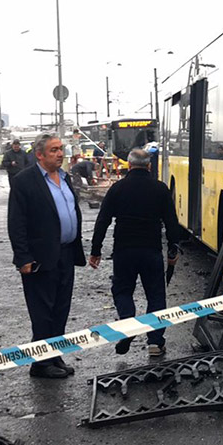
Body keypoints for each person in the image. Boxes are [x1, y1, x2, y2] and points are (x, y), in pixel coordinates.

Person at [88, 148, 184, 357]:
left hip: (124, 250)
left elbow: (103, 220)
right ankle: (155, 343)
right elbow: (171, 221)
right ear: (149, 166)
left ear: (129, 166)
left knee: (122, 290)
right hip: (151, 251)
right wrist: (173, 246)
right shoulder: (160, 189)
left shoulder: (118, 188)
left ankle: (128, 322)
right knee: (156, 295)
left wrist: (96, 250)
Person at [7, 134, 83, 379]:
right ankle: (39, 363)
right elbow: (16, 222)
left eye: (61, 149)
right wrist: (23, 257)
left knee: (61, 308)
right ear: (40, 154)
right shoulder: (24, 181)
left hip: (66, 254)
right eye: (54, 150)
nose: (60, 154)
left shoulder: (65, 177)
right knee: (42, 312)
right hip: (40, 257)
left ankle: (54, 354)